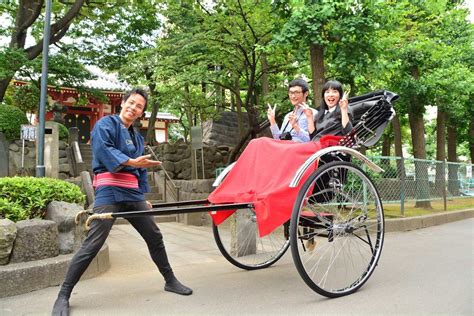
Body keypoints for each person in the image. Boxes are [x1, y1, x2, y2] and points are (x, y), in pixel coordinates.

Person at [52, 88, 192, 316]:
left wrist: (143, 197)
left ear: (141, 113)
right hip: (109, 190)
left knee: (154, 236)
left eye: (139, 107)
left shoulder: (137, 137)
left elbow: (140, 171)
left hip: (132, 194)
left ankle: (170, 280)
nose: (133, 108)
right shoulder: (105, 124)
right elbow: (103, 150)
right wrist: (131, 162)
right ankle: (64, 295)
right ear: (123, 103)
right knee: (94, 242)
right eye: (131, 103)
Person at [267, 78, 317, 143]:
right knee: (258, 141)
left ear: (306, 93)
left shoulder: (313, 113)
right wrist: (272, 120)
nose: (293, 96)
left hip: (299, 149)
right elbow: (278, 140)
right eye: (291, 93)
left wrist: (296, 127)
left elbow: (313, 140)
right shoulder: (287, 116)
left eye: (296, 92)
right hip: (285, 148)